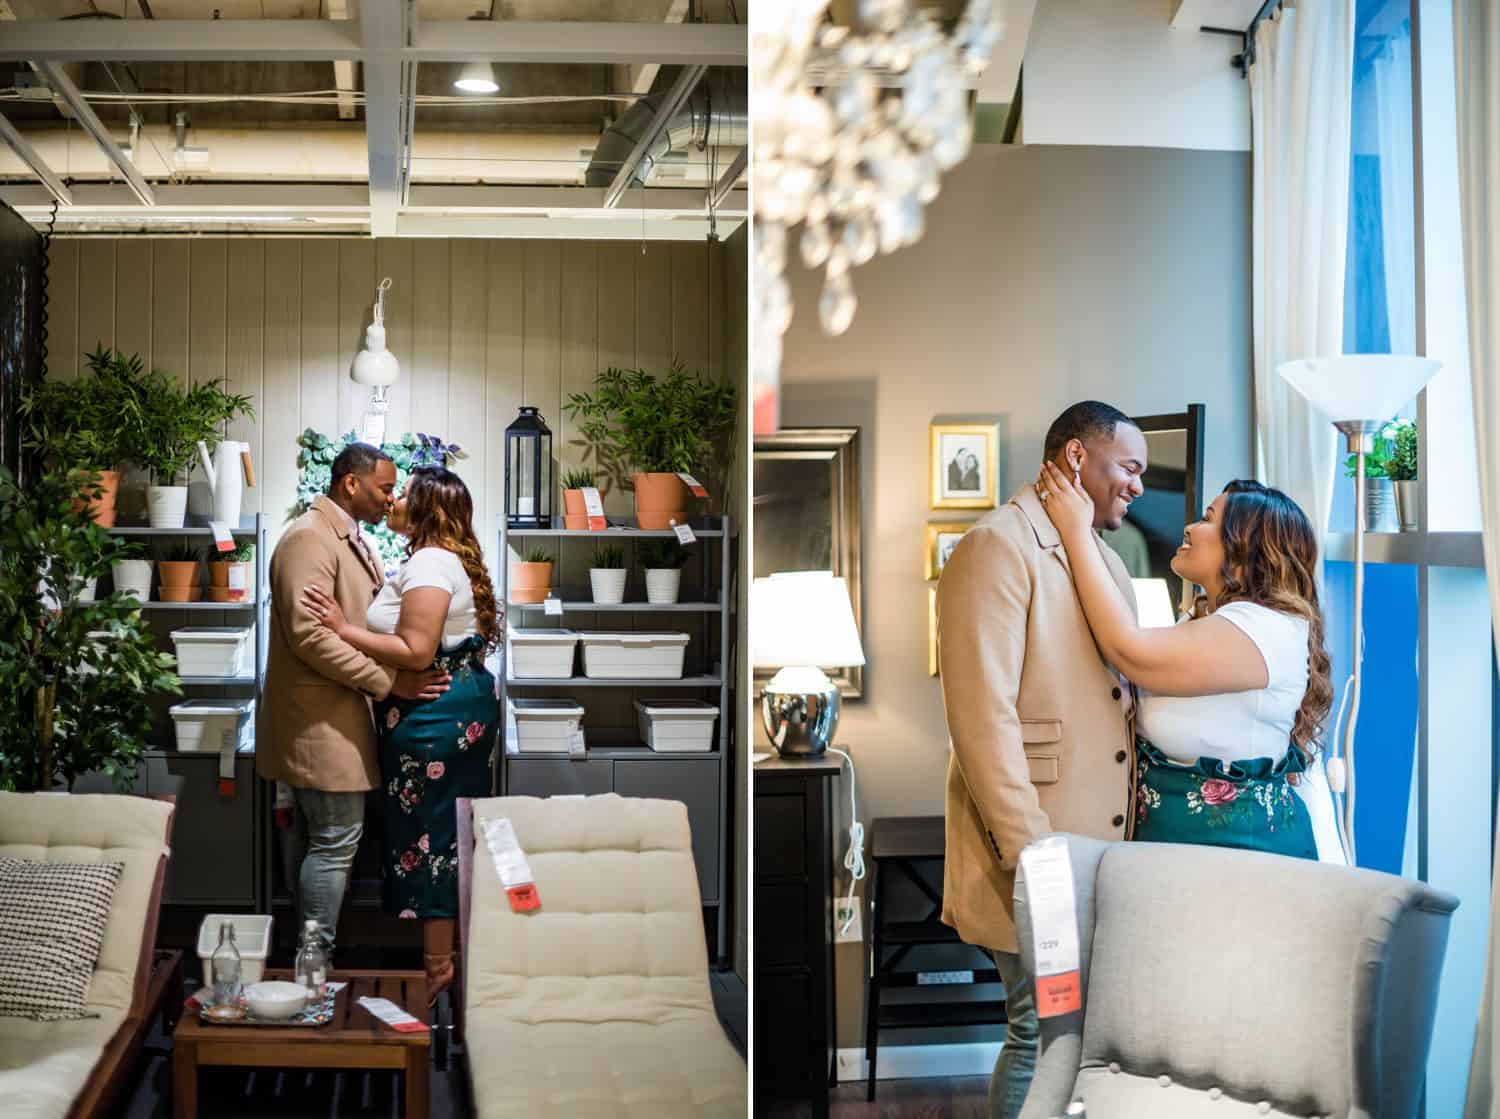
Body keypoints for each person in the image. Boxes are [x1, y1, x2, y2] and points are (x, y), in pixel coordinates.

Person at [936, 401, 1146, 1119]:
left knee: (1071, 1038)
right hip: (1040, 860)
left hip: (1096, 855)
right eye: (1130, 466)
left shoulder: (1103, 557)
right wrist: (1036, 862)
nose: (1138, 485)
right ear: (1079, 459)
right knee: (1041, 1035)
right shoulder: (996, 545)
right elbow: (981, 718)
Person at [1035, 468, 1344, 863]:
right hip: (1183, 855)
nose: (1190, 527)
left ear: (1245, 546)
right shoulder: (1206, 622)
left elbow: (1129, 651)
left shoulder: (1263, 628)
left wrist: (1077, 532)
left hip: (1240, 860)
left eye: (1208, 519)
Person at [300, 466, 501, 1005]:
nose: (395, 499)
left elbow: (416, 650)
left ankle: (438, 970)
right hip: (447, 710)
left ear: (429, 508)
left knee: (434, 836)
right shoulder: (434, 560)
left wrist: (344, 629)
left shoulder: (433, 563)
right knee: (438, 832)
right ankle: (443, 965)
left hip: (436, 718)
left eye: (405, 493)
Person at [260, 444, 451, 961]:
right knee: (335, 840)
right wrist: (389, 682)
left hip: (333, 718)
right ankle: (313, 960)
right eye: (385, 488)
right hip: (319, 723)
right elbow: (311, 638)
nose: (391, 499)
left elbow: (348, 622)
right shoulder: (308, 539)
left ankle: (310, 957)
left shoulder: (341, 536)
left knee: (323, 839)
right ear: (351, 484)